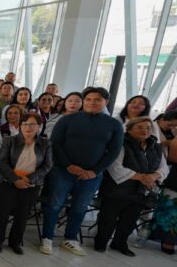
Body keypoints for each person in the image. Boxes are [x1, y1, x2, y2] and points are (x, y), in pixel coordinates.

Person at [41, 87, 124, 256]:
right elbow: (55, 144)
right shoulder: (67, 120)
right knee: (55, 204)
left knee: (80, 207)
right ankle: (47, 237)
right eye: (89, 99)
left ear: (106, 102)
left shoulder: (114, 124)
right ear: (84, 101)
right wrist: (68, 165)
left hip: (91, 175)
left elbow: (114, 151)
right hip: (63, 171)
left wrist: (95, 171)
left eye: (97, 100)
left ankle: (70, 238)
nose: (92, 102)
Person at [95, 116, 169, 256]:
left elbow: (164, 168)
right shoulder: (121, 142)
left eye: (148, 128)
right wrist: (143, 177)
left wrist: (153, 176)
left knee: (129, 220)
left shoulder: (156, 147)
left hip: (141, 191)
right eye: (139, 127)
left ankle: (119, 243)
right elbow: (115, 167)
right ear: (129, 129)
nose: (145, 131)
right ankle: (101, 242)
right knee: (108, 219)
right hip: (117, 190)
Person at [0, 113, 52, 254]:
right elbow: (2, 162)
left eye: (32, 124)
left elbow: (47, 166)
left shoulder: (46, 143)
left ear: (39, 126)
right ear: (20, 126)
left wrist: (29, 179)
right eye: (24, 124)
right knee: (2, 213)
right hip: (7, 181)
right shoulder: (9, 140)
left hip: (31, 184)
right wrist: (15, 179)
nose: (28, 127)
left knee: (22, 215)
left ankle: (15, 242)